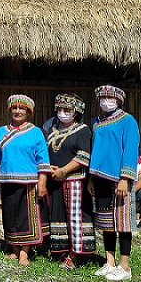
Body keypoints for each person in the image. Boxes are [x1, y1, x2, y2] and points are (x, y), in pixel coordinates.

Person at [0, 94, 52, 266]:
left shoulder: (35, 132)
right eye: (14, 108)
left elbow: (43, 159)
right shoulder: (1, 132)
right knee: (10, 216)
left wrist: (42, 182)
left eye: (21, 108)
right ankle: (14, 249)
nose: (17, 111)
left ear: (28, 112)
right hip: (7, 181)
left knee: (26, 218)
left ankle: (24, 252)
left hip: (28, 183)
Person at [87, 85, 140, 281]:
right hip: (99, 176)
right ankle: (109, 262)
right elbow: (94, 149)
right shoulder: (96, 121)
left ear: (118, 101)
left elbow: (131, 149)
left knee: (123, 223)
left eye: (110, 98)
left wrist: (125, 178)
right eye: (102, 98)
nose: (106, 101)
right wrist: (91, 178)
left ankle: (124, 266)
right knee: (106, 223)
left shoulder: (128, 120)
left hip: (119, 178)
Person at [41, 93, 95, 270]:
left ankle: (75, 254)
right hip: (54, 180)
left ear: (76, 112)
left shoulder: (83, 131)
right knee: (57, 215)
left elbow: (83, 156)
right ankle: (61, 250)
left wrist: (64, 170)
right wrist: (49, 168)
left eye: (67, 110)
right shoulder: (52, 130)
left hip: (74, 181)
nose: (63, 112)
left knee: (75, 217)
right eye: (60, 109)